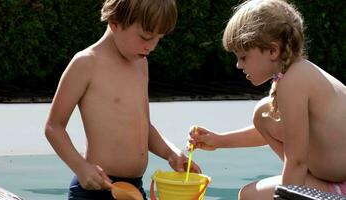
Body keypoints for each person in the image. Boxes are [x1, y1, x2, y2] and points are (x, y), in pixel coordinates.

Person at [188, 0, 346, 199]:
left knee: (250, 196)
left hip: (339, 190)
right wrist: (219, 140)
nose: (238, 65)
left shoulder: (293, 83)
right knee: (263, 114)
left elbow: (296, 161)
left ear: (273, 51)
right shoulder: (299, 74)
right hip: (334, 181)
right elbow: (286, 131)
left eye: (243, 57)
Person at [44, 0, 201, 199]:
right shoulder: (86, 63)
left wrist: (171, 153)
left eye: (158, 38)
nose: (151, 46)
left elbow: (144, 126)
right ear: (114, 22)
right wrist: (81, 168)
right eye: (145, 37)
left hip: (134, 188)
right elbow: (54, 127)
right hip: (97, 189)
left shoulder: (140, 64)